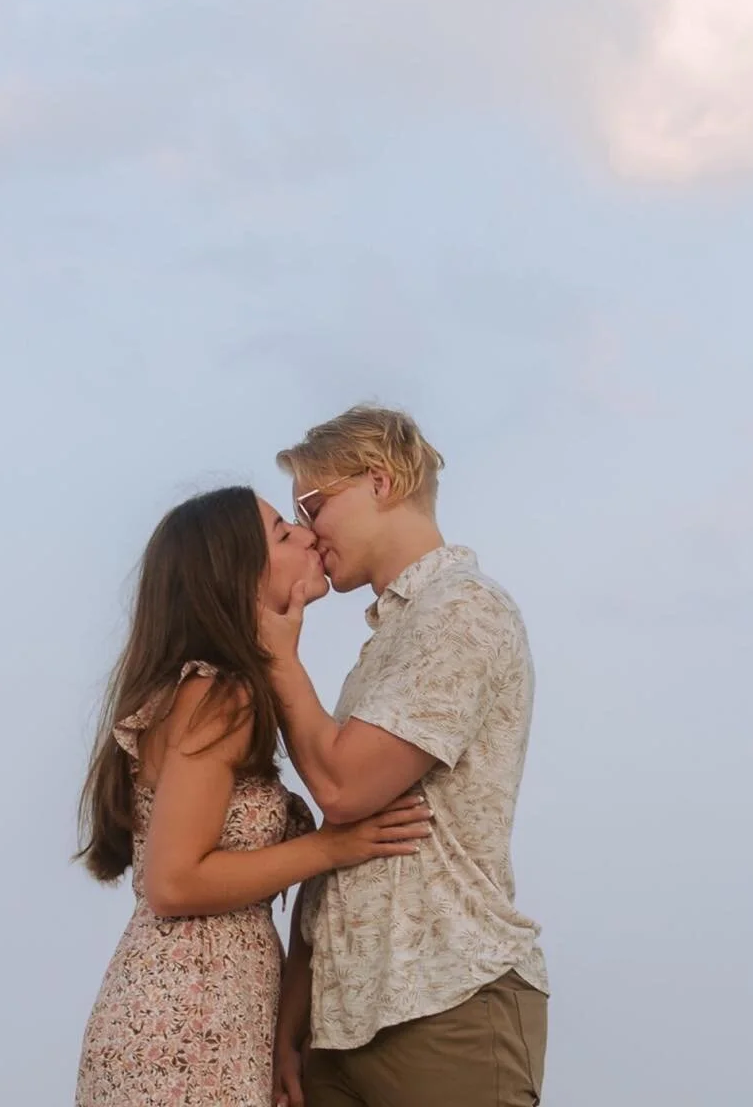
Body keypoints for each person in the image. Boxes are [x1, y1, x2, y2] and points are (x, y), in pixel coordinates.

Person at [75, 485, 434, 1107]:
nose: (306, 535)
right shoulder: (221, 696)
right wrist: (333, 847)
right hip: (185, 1026)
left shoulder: (214, 692)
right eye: (281, 532)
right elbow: (174, 883)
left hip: (201, 1015)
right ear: (236, 573)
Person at [261, 407, 549, 1107]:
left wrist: (275, 656)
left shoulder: (462, 612)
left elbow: (343, 788)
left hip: (444, 1003)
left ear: (381, 482)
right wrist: (293, 1023)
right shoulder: (395, 636)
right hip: (342, 1028)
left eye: (313, 504)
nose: (304, 530)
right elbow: (344, 849)